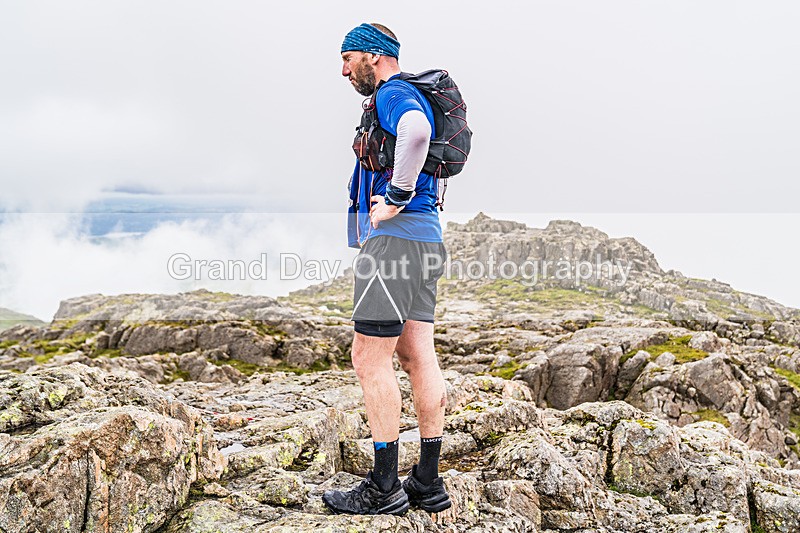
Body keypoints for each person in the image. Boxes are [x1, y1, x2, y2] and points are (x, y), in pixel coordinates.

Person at [322, 22, 452, 516]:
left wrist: (394, 198)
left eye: (347, 58)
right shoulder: (407, 92)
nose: (342, 69)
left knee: (368, 358)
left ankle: (383, 484)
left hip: (395, 244)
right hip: (427, 240)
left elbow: (416, 132)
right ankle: (427, 480)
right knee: (419, 355)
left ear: (373, 57)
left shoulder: (394, 93)